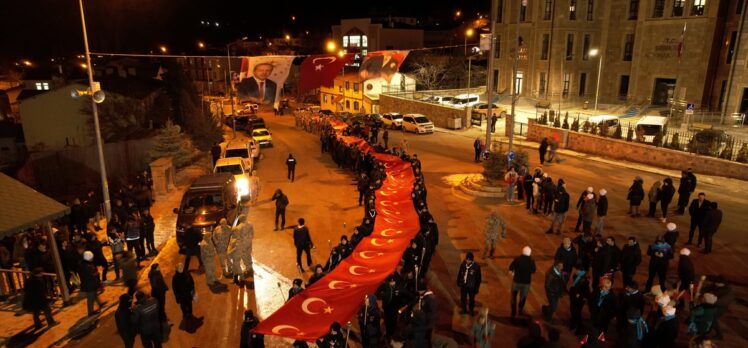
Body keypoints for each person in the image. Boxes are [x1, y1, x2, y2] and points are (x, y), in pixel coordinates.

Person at [509, 246, 536, 317]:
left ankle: (513, 312)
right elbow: (533, 270)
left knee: (513, 297)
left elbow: (511, 267)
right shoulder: (531, 261)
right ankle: (520, 310)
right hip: (526, 283)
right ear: (529, 253)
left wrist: (513, 272)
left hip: (516, 281)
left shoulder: (517, 259)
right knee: (523, 297)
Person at [79, 250, 104, 316]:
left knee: (94, 294)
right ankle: (90, 312)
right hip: (89, 284)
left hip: (90, 283)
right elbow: (90, 275)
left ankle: (100, 303)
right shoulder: (86, 266)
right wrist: (98, 271)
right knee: (91, 298)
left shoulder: (84, 264)